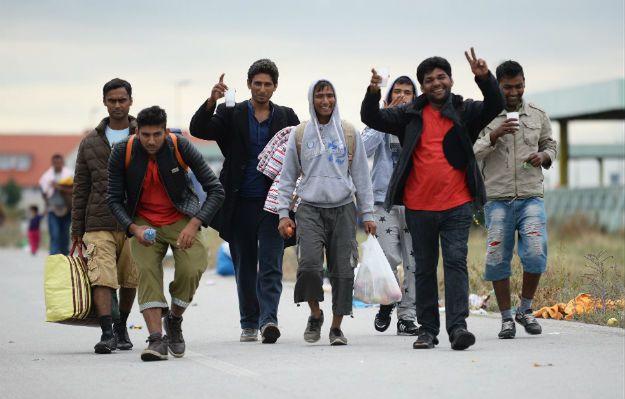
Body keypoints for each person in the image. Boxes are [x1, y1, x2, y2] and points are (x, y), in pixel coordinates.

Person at [361, 48, 504, 350]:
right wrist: (373, 91)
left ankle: (458, 328)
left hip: (457, 205)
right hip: (418, 207)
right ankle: (427, 330)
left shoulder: (465, 111)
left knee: (455, 264)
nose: (436, 83)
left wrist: (485, 78)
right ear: (422, 86)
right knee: (423, 268)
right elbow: (370, 117)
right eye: (429, 80)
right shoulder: (408, 114)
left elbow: (496, 104)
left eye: (441, 77)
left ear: (451, 80)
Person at [189, 59, 299, 344]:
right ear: (249, 84)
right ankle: (249, 321)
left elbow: (301, 153)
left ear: (275, 87)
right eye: (257, 83)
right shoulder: (231, 113)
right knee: (246, 265)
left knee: (272, 263)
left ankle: (269, 320)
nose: (262, 89)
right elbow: (199, 128)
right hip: (239, 202)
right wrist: (211, 101)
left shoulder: (286, 116)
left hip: (275, 204)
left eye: (268, 84)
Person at [107, 106, 224, 361]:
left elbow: (216, 190)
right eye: (145, 135)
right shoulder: (122, 151)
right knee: (147, 273)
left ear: (165, 131)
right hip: (143, 222)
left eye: (156, 134)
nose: (151, 141)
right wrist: (133, 227)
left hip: (181, 216)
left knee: (193, 268)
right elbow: (114, 199)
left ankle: (174, 319)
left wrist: (194, 224)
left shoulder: (180, 146)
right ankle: (156, 339)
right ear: (137, 132)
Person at [277, 79, 376, 346]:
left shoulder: (348, 133)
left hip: (343, 208)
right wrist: (283, 213)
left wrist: (368, 213)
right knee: (308, 265)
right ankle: (316, 314)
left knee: (343, 270)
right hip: (308, 209)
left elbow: (362, 178)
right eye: (320, 95)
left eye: (330, 95)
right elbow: (287, 177)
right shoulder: (300, 134)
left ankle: (336, 327)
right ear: (312, 99)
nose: (325, 100)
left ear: (336, 98)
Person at [473, 60, 557, 339]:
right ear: (497, 85)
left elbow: (550, 145)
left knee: (535, 251)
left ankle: (526, 310)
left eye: (518, 85)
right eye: (507, 86)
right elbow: (471, 152)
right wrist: (493, 136)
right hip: (497, 198)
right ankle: (507, 318)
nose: (514, 91)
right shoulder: (484, 115)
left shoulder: (537, 115)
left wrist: (544, 157)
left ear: (524, 83)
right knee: (497, 257)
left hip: (531, 196)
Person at [71, 78, 139, 354]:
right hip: (98, 221)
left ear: (130, 101)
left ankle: (122, 326)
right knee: (101, 277)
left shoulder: (143, 136)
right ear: (104, 102)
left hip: (134, 221)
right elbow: (80, 188)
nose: (117, 105)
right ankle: (107, 332)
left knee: (130, 278)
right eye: (112, 100)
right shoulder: (90, 143)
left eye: (122, 100)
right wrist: (77, 230)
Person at [362, 75, 419, 336]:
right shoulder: (378, 119)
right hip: (383, 200)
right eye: (398, 91)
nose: (403, 96)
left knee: (414, 263)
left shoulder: (420, 121)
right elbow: (362, 150)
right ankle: (388, 301)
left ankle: (407, 317)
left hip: (415, 200)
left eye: (408, 92)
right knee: (388, 258)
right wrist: (384, 116)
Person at [39, 154, 73, 255]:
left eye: (59, 162)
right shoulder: (46, 176)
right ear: (52, 163)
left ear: (62, 163)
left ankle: (64, 256)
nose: (57, 165)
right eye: (55, 163)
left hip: (66, 209)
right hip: (52, 209)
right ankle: (53, 256)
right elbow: (43, 192)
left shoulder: (69, 175)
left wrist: (60, 187)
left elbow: (75, 189)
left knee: (65, 234)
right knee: (54, 234)